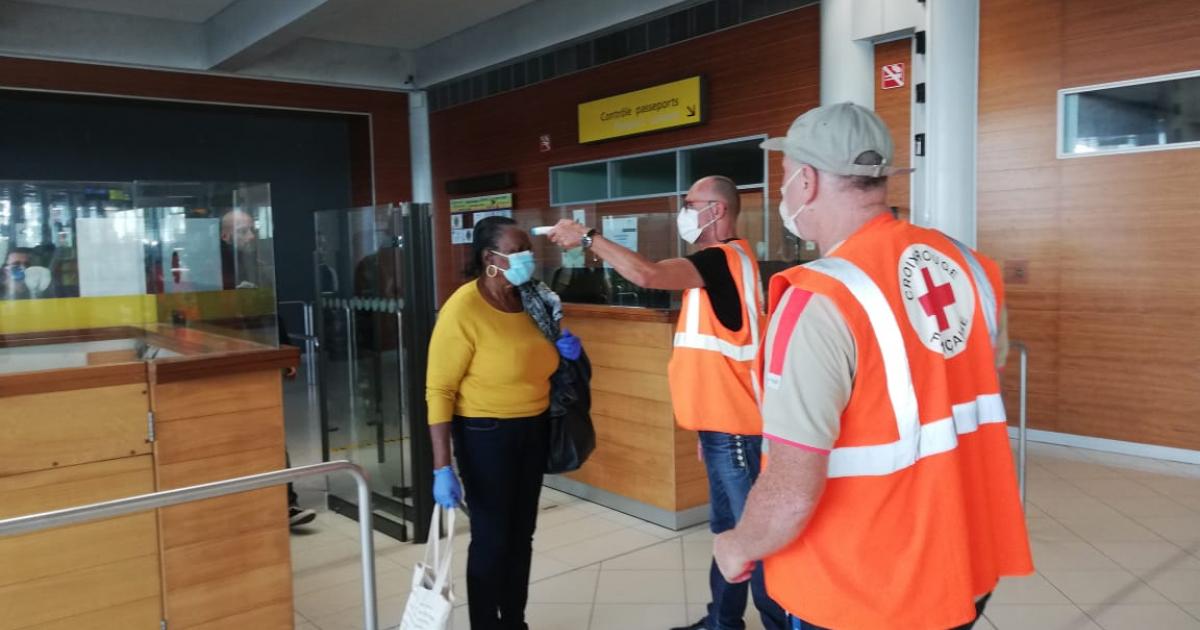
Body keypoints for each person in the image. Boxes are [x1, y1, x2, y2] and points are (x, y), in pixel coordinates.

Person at [711, 102, 1032, 629]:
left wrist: (737, 543)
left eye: (787, 177)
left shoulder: (818, 298)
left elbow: (792, 489)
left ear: (808, 182)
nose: (786, 190)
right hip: (963, 565)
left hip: (861, 587)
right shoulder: (970, 267)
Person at [549, 177, 787, 630]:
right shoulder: (729, 263)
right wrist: (704, 428)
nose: (684, 211)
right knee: (728, 534)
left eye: (690, 204)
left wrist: (587, 237)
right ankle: (722, 622)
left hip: (736, 432)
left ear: (716, 211)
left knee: (752, 540)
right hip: (721, 429)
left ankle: (778, 621)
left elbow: (648, 275)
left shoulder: (720, 260)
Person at [426, 216, 580, 630]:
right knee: (493, 539)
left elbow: (549, 361)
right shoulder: (463, 307)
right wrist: (442, 466)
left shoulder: (535, 300)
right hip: (484, 434)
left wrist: (569, 352)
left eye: (527, 250)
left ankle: (514, 621)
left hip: (533, 429)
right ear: (488, 258)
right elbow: (439, 389)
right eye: (515, 252)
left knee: (521, 535)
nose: (525, 258)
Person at [220, 209, 260, 289]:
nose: (252, 236)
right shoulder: (216, 267)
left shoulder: (254, 261)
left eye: (253, 230)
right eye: (243, 231)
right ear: (225, 236)